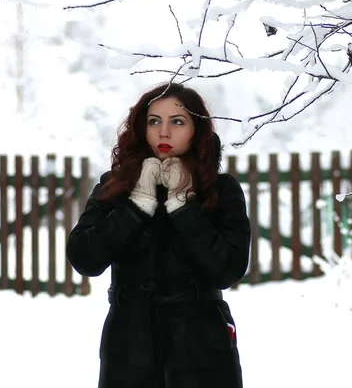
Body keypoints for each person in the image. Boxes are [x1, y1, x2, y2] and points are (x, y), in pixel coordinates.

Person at [66, 82, 251, 388]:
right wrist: (136, 206)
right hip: (128, 351)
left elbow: (227, 270)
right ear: (142, 127)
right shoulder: (115, 187)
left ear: (196, 130)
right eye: (155, 122)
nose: (164, 133)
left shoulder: (219, 190)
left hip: (202, 352)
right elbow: (85, 258)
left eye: (177, 122)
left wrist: (183, 207)